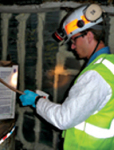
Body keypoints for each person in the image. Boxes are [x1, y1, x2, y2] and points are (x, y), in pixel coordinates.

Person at [19, 3, 114, 150]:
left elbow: (64, 119)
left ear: (88, 35)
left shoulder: (96, 75)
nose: (72, 47)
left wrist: (37, 101)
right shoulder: (109, 66)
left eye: (74, 39)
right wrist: (45, 102)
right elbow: (86, 109)